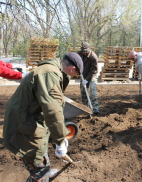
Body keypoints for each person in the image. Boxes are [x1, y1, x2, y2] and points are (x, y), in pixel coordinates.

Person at [3, 52, 83, 182]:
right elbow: (53, 110)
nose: (75, 76)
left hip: (29, 118)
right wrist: (60, 140)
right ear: (73, 69)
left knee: (42, 148)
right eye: (77, 73)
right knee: (39, 170)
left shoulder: (51, 69)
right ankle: (42, 174)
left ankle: (44, 168)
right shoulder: (50, 74)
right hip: (23, 124)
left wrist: (58, 135)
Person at [77, 42, 99, 114]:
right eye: (83, 51)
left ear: (89, 49)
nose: (84, 52)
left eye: (86, 51)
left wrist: (87, 80)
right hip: (83, 74)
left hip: (92, 75)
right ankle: (85, 107)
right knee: (83, 91)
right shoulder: (79, 54)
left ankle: (95, 108)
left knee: (92, 91)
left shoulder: (93, 57)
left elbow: (94, 70)